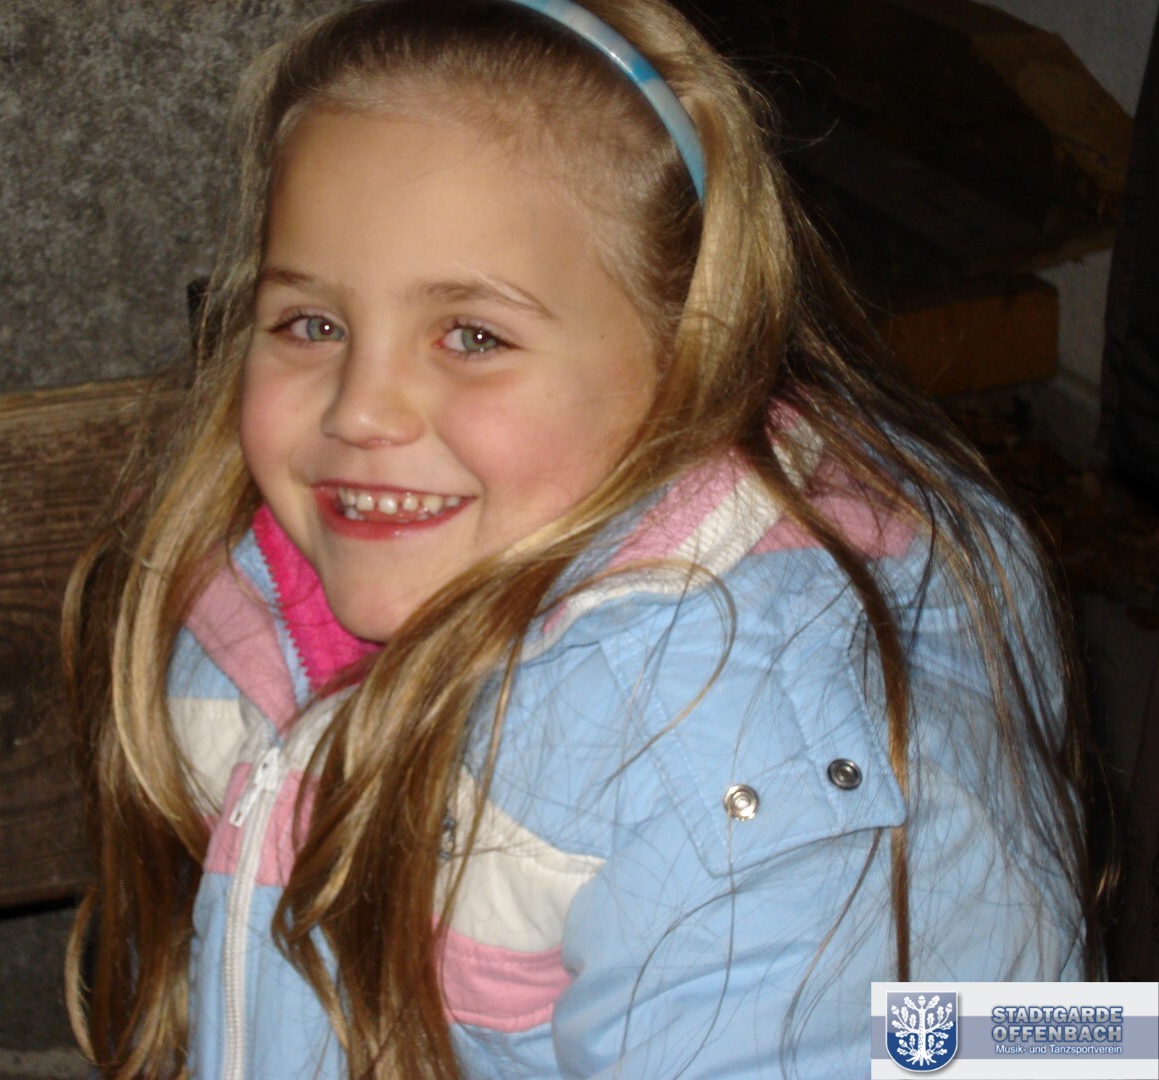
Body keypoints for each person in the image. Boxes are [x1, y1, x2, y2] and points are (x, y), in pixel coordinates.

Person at [62, 1, 1098, 1076]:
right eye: (312, 324)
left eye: (472, 335)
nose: (358, 409)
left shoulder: (750, 758)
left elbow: (997, 1049)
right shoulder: (252, 600)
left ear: (689, 356)